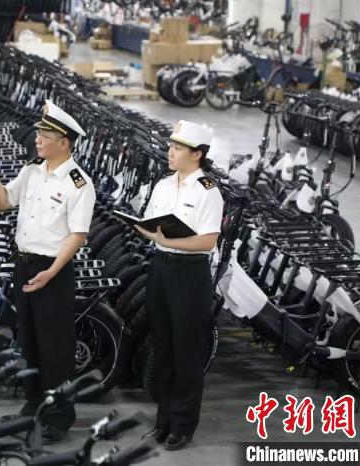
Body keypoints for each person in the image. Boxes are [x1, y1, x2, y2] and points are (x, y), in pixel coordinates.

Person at [0, 100, 96, 443]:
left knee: (55, 347)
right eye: (39, 133)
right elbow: (3, 202)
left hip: (53, 270)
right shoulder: (32, 171)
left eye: (46, 135)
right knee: (29, 341)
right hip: (25, 264)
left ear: (65, 142)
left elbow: (77, 235)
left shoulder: (78, 183)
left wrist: (53, 271)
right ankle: (34, 404)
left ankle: (58, 416)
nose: (38, 139)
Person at [135, 120, 224, 451]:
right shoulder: (163, 185)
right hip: (160, 268)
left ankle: (183, 425)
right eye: (170, 147)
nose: (170, 152)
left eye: (177, 148)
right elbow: (148, 224)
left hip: (189, 273)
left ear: (197, 154)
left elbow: (208, 241)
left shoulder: (208, 191)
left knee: (186, 351)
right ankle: (164, 420)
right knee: (162, 348)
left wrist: (169, 240)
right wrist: (146, 230)